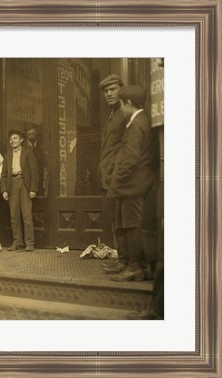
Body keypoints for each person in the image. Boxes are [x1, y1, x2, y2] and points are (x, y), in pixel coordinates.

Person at [106, 86, 159, 282]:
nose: (120, 108)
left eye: (121, 104)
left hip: (132, 185)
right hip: (135, 183)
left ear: (129, 103)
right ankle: (136, 265)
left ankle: (135, 268)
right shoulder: (141, 121)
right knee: (129, 223)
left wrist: (117, 179)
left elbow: (130, 157)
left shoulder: (137, 123)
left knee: (131, 224)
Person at [97, 74, 129, 274]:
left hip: (119, 177)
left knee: (125, 220)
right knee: (117, 220)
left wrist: (118, 174)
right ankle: (123, 259)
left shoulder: (125, 113)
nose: (109, 94)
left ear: (121, 89)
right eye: (106, 91)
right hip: (109, 177)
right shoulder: (111, 114)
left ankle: (127, 262)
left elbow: (127, 148)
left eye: (113, 89)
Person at [0, 130, 39, 252]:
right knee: (14, 216)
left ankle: (29, 243)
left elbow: (35, 171)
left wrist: (33, 189)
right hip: (12, 185)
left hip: (24, 184)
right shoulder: (7, 155)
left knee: (27, 215)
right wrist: (4, 190)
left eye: (15, 138)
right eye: (11, 139)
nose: (13, 141)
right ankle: (17, 242)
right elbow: (3, 174)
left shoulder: (28, 153)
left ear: (21, 140)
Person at [25, 126, 46, 196]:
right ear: (26, 135)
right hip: (28, 170)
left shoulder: (41, 144)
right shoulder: (23, 146)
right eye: (29, 134)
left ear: (36, 134)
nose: (31, 136)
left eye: (33, 134)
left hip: (40, 170)